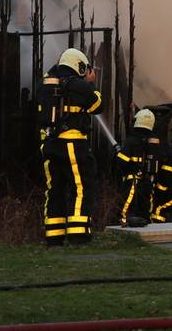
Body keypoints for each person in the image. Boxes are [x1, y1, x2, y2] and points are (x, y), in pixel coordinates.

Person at [37, 48, 102, 244]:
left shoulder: (46, 84)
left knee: (54, 189)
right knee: (81, 187)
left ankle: (54, 238)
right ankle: (78, 235)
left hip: (49, 144)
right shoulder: (79, 86)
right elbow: (98, 106)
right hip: (73, 144)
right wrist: (91, 84)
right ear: (79, 66)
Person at [115, 108, 159, 227]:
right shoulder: (154, 141)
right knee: (145, 207)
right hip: (148, 181)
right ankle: (145, 225)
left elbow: (121, 161)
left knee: (126, 205)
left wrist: (118, 152)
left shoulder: (132, 140)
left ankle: (123, 225)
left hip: (132, 181)